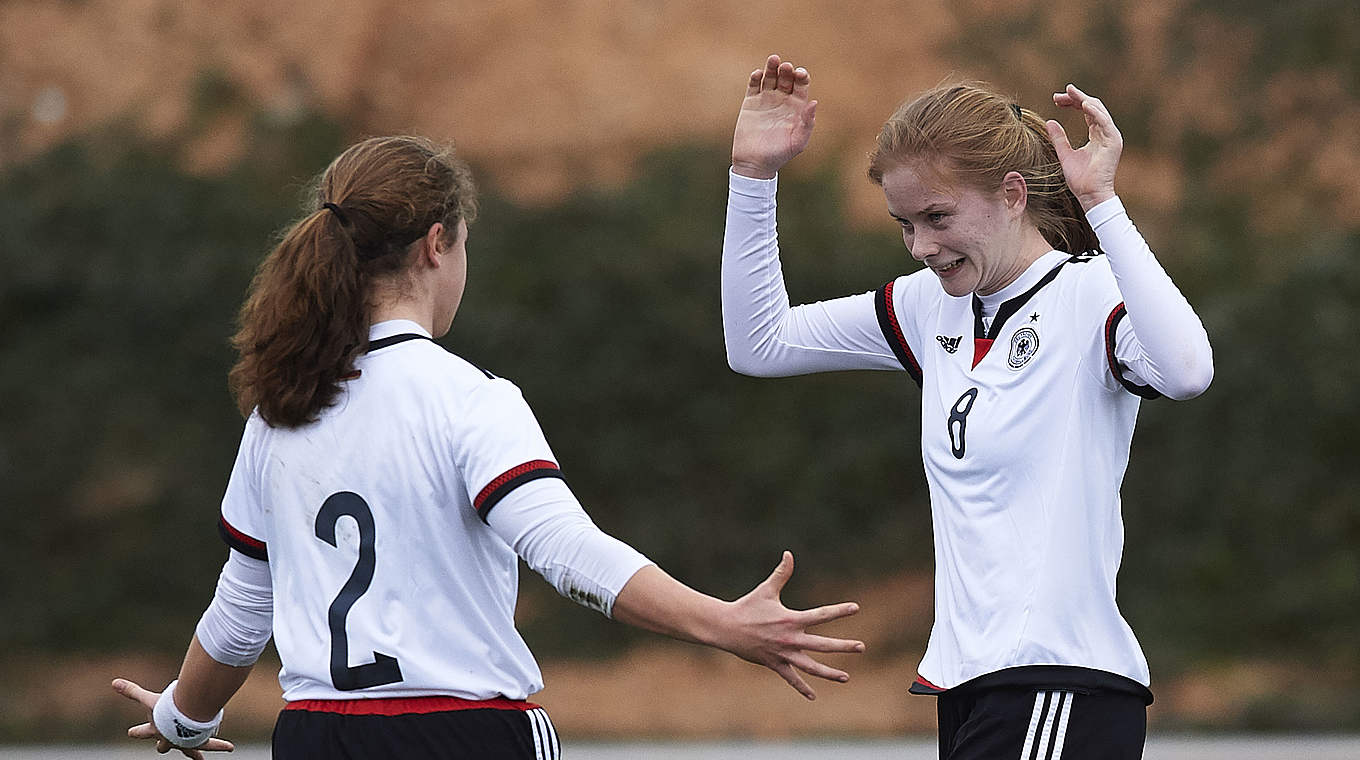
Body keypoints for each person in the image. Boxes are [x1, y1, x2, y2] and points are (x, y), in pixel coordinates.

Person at [111, 135, 865, 759]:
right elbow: (567, 551)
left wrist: (183, 717)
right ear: (438, 245)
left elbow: (244, 613)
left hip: (315, 738)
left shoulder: (278, 414)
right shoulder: (468, 397)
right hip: (463, 735)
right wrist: (721, 621)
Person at [722, 55, 1213, 759]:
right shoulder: (930, 309)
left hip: (1057, 687)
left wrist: (1102, 202)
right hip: (973, 690)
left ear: (1014, 194)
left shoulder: (1090, 293)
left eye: (938, 217)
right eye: (904, 225)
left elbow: (1189, 370)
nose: (922, 246)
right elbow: (759, 344)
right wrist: (753, 176)